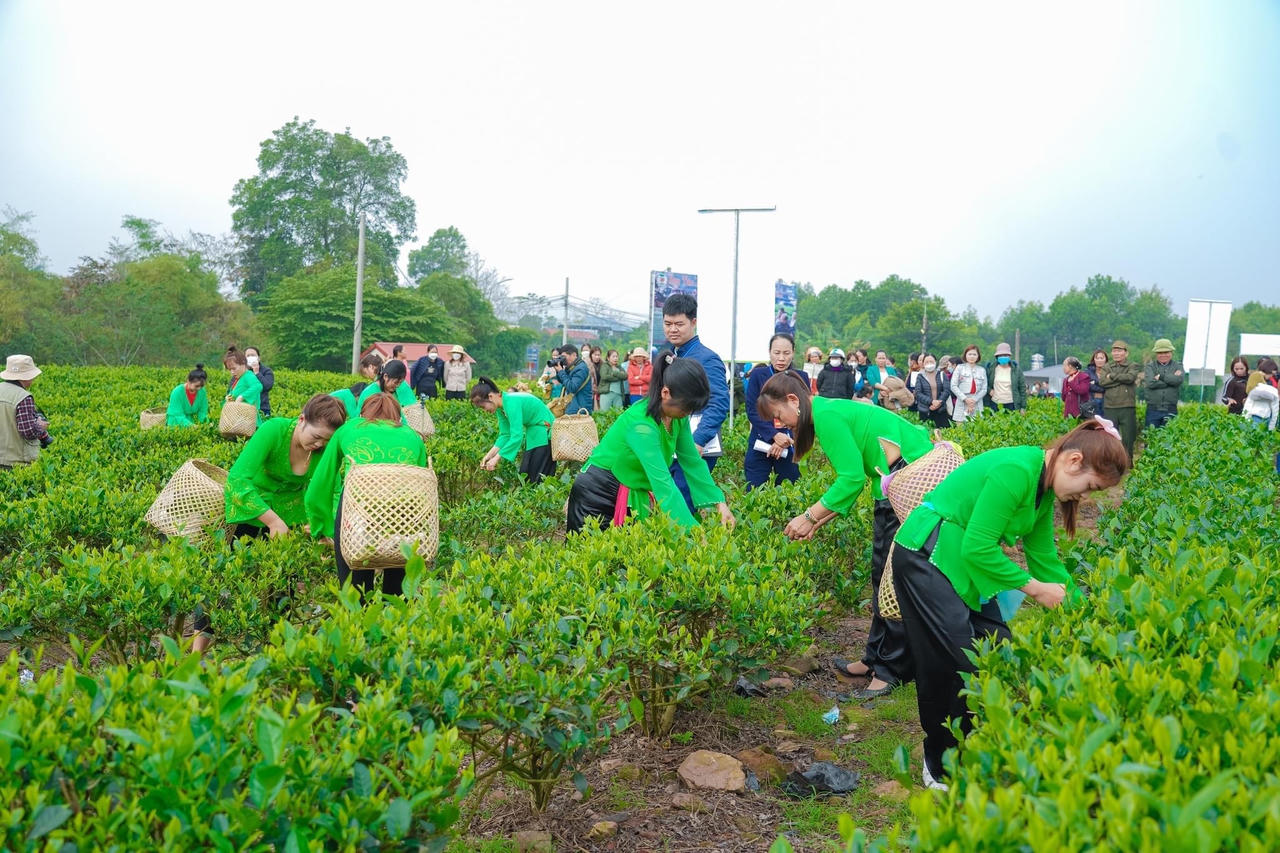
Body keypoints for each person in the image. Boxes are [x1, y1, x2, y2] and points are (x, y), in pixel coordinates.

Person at [891, 418, 1130, 790]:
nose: (1083, 497)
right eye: (1089, 487)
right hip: (928, 554)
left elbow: (1045, 560)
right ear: (1074, 461)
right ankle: (939, 762)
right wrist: (1035, 590)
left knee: (996, 649)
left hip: (963, 562)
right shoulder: (1017, 471)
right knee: (954, 661)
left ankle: (974, 748)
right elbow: (979, 547)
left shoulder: (1042, 489)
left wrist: (1088, 617)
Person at [754, 372, 934, 699]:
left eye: (778, 415)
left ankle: (890, 671)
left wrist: (808, 516)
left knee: (894, 580)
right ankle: (875, 658)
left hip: (909, 484)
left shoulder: (826, 416)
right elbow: (853, 482)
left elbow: (850, 479)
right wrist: (817, 522)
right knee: (881, 576)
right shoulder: (825, 410)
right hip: (895, 484)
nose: (780, 424)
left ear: (793, 401)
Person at [566, 353, 734, 532]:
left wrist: (719, 503)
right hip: (598, 493)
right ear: (665, 393)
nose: (688, 413)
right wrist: (694, 533)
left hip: (629, 489)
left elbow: (692, 462)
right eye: (686, 407)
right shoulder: (641, 425)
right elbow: (663, 483)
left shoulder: (677, 418)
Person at [305, 392, 428, 599]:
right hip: (402, 517)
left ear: (362, 414)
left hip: (357, 516)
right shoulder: (413, 437)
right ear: (398, 418)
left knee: (355, 588)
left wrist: (322, 528)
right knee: (398, 591)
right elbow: (421, 488)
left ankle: (358, 613)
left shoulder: (348, 429)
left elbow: (320, 484)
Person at [226, 394, 348, 540]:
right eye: (316, 437)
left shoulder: (325, 450)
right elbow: (236, 479)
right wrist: (273, 521)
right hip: (254, 508)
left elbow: (334, 491)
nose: (319, 444)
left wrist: (325, 522)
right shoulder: (274, 430)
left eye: (327, 440)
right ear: (301, 420)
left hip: (293, 516)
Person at [662, 293, 730, 514]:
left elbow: (719, 402)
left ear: (693, 322)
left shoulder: (707, 358)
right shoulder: (669, 356)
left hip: (697, 445)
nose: (673, 329)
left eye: (679, 324)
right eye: (668, 324)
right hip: (673, 442)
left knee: (679, 507)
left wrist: (699, 440)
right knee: (670, 504)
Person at [743, 334, 808, 489]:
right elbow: (752, 410)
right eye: (777, 353)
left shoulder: (801, 377)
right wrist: (774, 435)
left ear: (793, 352)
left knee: (788, 489)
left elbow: (803, 413)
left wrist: (784, 440)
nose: (781, 358)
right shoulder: (758, 375)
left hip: (790, 444)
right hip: (760, 442)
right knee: (754, 489)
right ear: (769, 352)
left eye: (786, 353)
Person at [472, 376, 557, 484]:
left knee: (535, 477)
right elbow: (505, 435)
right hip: (534, 432)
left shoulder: (511, 402)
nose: (484, 411)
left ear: (491, 397)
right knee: (526, 476)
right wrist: (489, 456)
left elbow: (517, 436)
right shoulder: (501, 408)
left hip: (544, 431)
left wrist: (496, 459)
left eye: (483, 407)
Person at [0, 354, 50, 469]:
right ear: (25, 377)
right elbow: (28, 431)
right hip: (16, 462)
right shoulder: (23, 397)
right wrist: (40, 426)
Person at [1097, 340, 1140, 459]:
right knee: (1111, 437)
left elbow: (1130, 378)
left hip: (1127, 406)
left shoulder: (1132, 365)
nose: (1116, 353)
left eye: (1119, 351)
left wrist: (1112, 376)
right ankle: (1113, 462)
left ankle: (1128, 461)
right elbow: (1102, 382)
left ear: (1126, 353)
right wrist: (1122, 380)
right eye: (1114, 351)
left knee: (1128, 437)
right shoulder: (1107, 366)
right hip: (1110, 406)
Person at [1143, 339, 1184, 428]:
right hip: (1153, 409)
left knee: (1170, 434)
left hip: (1171, 409)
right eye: (1160, 353)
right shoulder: (1150, 366)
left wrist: (1161, 376)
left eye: (1166, 352)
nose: (1163, 355)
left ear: (1171, 352)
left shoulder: (1178, 366)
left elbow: (1178, 380)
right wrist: (1171, 381)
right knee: (1150, 434)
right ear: (1156, 354)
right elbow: (1150, 383)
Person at [223, 346, 264, 424]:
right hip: (240, 420)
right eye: (230, 369)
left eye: (234, 368)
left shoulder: (248, 375)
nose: (232, 372)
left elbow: (258, 386)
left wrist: (242, 396)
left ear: (243, 363)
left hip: (249, 421)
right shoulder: (238, 378)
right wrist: (229, 397)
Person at [949, 346, 986, 424]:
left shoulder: (982, 370)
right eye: (969, 354)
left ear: (978, 356)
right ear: (965, 355)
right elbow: (953, 386)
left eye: (974, 354)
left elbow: (984, 389)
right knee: (960, 427)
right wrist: (965, 399)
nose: (972, 356)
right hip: (962, 401)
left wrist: (974, 400)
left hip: (977, 402)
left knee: (977, 426)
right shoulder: (959, 368)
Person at [985, 343, 1026, 413]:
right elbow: (983, 383)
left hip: (1012, 404)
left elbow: (1022, 388)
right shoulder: (991, 368)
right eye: (1000, 355)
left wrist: (1023, 407)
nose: (1003, 357)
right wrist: (989, 390)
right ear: (997, 357)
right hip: (995, 403)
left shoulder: (1016, 370)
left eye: (1005, 355)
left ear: (1009, 356)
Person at [912, 354, 951, 428]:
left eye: (931, 361)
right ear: (923, 364)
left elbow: (946, 390)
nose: (929, 364)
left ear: (935, 362)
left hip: (940, 409)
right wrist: (931, 402)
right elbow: (918, 393)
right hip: (925, 410)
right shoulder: (920, 376)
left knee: (943, 431)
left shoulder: (942, 374)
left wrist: (938, 402)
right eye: (927, 362)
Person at [555, 343, 594, 413]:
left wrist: (561, 371)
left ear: (574, 355)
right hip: (573, 407)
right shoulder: (571, 367)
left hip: (580, 409)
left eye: (564, 357)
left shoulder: (581, 368)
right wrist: (558, 371)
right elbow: (563, 381)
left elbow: (572, 387)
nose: (563, 359)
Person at [1242, 358, 1279, 429]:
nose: (1271, 376)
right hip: (1260, 415)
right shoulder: (1257, 376)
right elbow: (1251, 393)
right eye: (1271, 374)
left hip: (1261, 414)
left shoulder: (1266, 381)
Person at [244, 346, 275, 419]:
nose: (250, 357)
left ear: (258, 358)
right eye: (248, 356)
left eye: (253, 355)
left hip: (262, 409)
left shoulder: (266, 371)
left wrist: (257, 373)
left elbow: (267, 386)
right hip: (244, 409)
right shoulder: (241, 371)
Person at [1085, 349, 1108, 419]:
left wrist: (1095, 382)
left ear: (1106, 360)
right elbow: (1089, 386)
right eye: (1097, 358)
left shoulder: (1110, 372)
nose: (1099, 360)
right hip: (1092, 401)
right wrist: (1103, 387)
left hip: (1106, 402)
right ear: (1094, 360)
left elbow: (1110, 386)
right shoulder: (1088, 372)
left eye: (1102, 358)